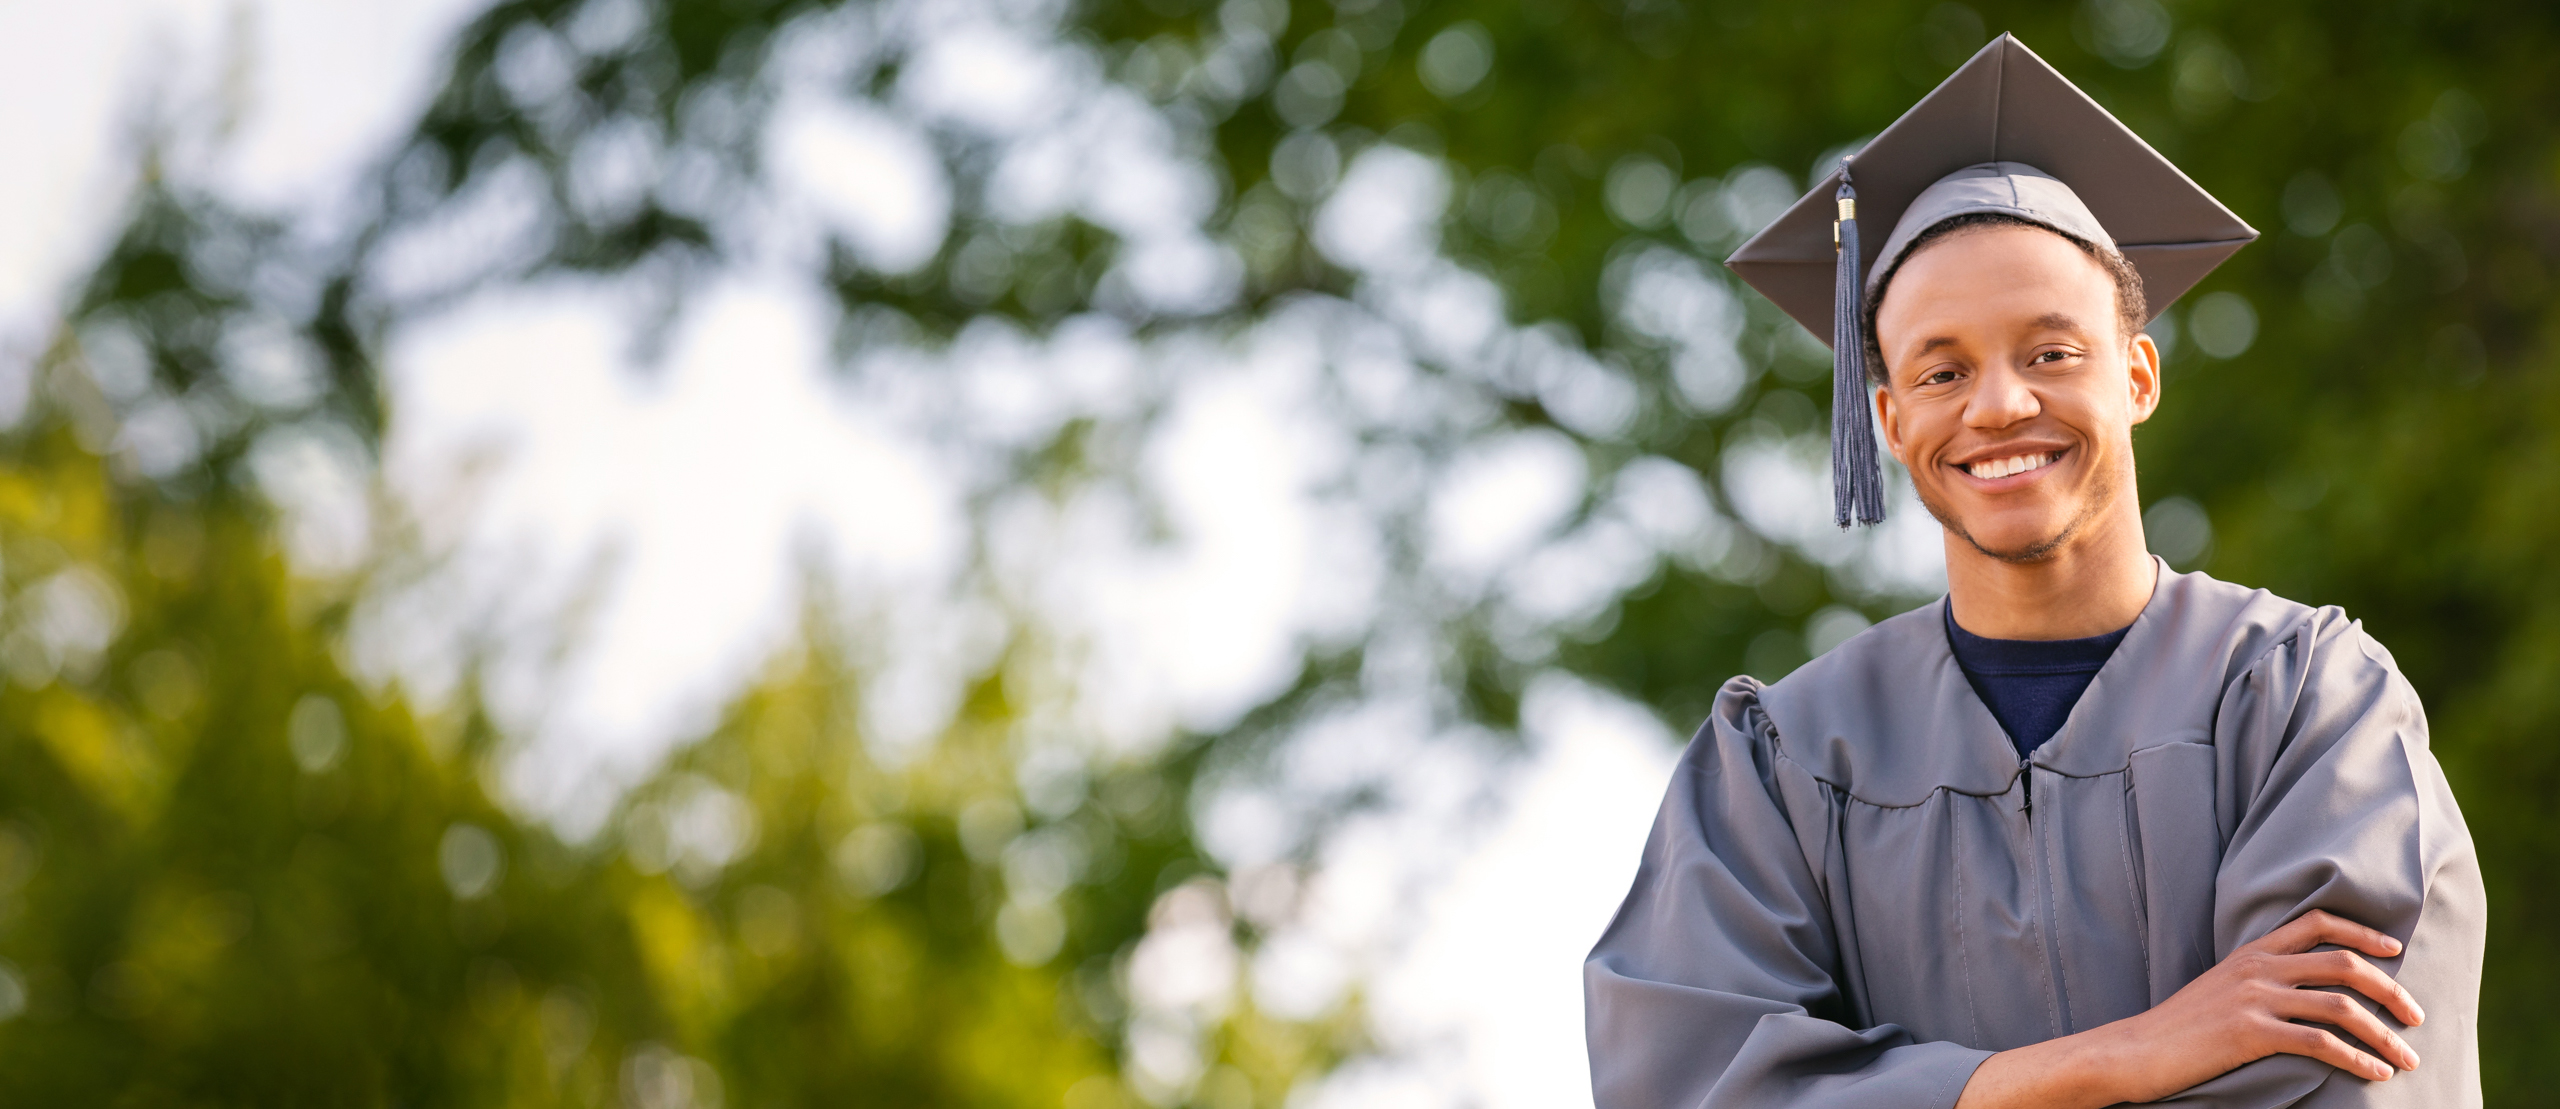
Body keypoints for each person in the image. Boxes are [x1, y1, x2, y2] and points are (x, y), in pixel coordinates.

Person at [1583, 34, 2484, 1109]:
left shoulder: (2306, 702)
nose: (1999, 404)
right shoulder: (1780, 767)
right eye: (1942, 368)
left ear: (2138, 374)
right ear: (1889, 418)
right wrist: (2124, 1054)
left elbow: (2341, 1070)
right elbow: (1689, 1082)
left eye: (2051, 353)